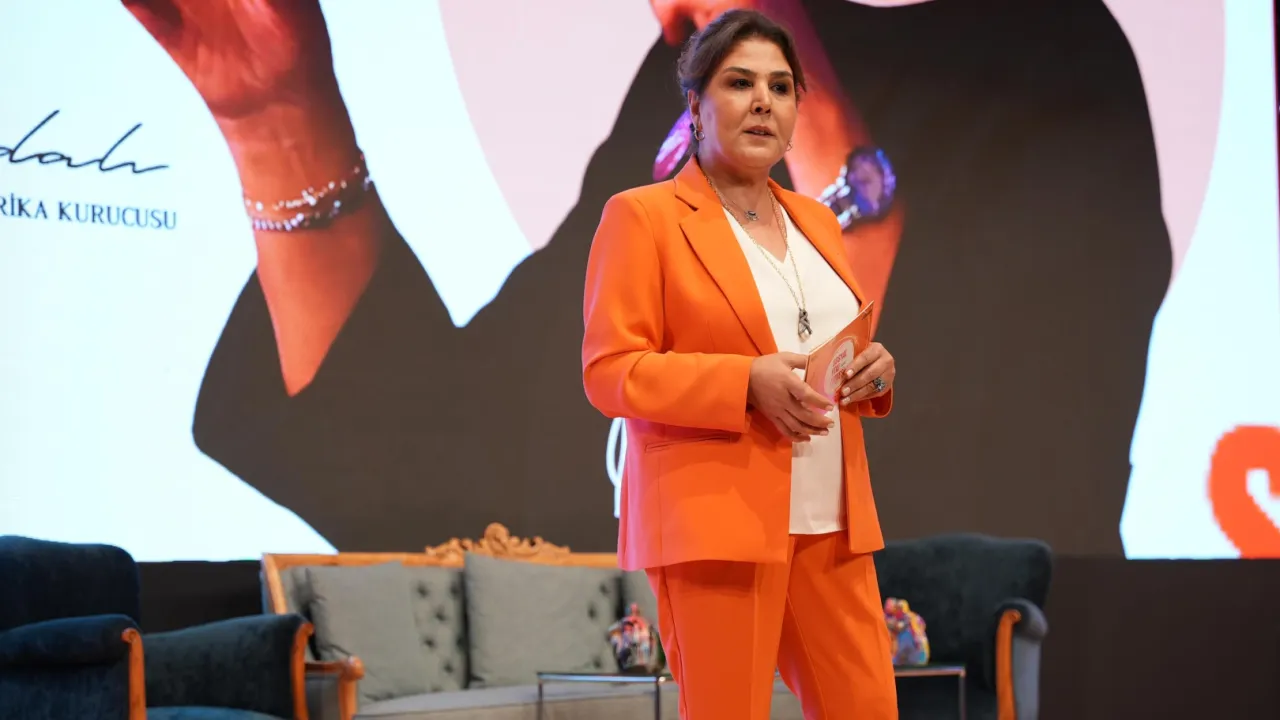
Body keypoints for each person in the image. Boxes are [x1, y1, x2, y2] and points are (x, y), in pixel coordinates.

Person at [582, 11, 898, 719]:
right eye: (740, 83)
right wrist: (743, 383)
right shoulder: (643, 217)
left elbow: (829, 337)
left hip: (831, 520)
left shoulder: (820, 221)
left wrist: (869, 372)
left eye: (781, 87)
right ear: (696, 106)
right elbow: (611, 370)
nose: (763, 102)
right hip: (716, 524)